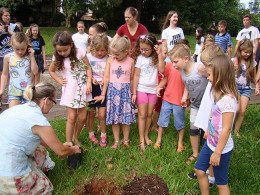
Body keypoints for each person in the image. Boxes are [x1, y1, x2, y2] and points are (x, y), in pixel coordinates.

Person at [0, 82, 81, 194]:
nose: (53, 105)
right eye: (53, 102)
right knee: (46, 188)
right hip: (10, 178)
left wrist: (59, 145)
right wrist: (74, 149)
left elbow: (32, 137)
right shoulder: (39, 121)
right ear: (46, 100)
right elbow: (61, 152)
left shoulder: (15, 109)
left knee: (41, 151)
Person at [194, 55, 239, 195]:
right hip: (210, 142)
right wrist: (208, 129)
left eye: (210, 75)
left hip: (221, 149)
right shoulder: (217, 92)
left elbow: (226, 129)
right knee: (199, 170)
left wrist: (217, 153)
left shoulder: (228, 100)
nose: (207, 78)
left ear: (220, 75)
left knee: (221, 184)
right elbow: (213, 113)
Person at [48, 31, 92, 145]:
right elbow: (51, 71)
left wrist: (88, 83)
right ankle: (68, 142)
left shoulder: (80, 53)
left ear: (71, 45)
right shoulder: (58, 58)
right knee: (72, 117)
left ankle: (75, 137)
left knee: (82, 117)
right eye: (59, 51)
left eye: (65, 50)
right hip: (70, 90)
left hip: (82, 89)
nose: (62, 53)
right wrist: (59, 80)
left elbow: (88, 68)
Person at [94, 36, 136, 149]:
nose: (114, 56)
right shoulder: (110, 60)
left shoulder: (131, 61)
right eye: (113, 54)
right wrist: (103, 94)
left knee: (125, 119)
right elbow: (106, 77)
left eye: (117, 54)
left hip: (125, 93)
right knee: (115, 118)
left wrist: (133, 93)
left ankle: (126, 140)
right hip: (112, 92)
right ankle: (116, 140)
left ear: (126, 52)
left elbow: (131, 78)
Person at [171, 44, 208, 164]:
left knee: (206, 131)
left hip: (207, 107)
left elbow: (213, 78)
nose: (173, 65)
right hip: (195, 105)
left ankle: (206, 153)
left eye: (176, 61)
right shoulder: (182, 71)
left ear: (186, 58)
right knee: (193, 130)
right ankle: (195, 153)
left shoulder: (199, 69)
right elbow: (187, 85)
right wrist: (184, 97)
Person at [153, 44, 186, 152]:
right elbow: (165, 78)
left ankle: (180, 142)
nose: (174, 64)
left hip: (179, 101)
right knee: (162, 120)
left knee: (179, 122)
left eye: (175, 61)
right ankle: (158, 139)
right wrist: (159, 87)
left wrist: (186, 98)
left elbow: (188, 86)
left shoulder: (186, 70)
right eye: (172, 61)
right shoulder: (170, 66)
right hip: (167, 98)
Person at [132, 34, 158, 151]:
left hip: (153, 90)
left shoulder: (156, 58)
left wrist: (160, 54)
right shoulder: (139, 58)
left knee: (149, 114)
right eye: (141, 49)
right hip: (141, 89)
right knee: (142, 115)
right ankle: (141, 138)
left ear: (153, 48)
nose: (143, 51)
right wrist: (134, 92)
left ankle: (146, 134)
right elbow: (136, 75)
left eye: (146, 49)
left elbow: (162, 69)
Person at [0, 32, 38, 107]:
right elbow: (4, 74)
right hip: (14, 92)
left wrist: (32, 57)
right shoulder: (8, 57)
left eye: (23, 49)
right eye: (17, 49)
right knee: (14, 114)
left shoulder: (29, 56)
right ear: (12, 45)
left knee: (28, 115)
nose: (20, 52)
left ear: (27, 45)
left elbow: (35, 71)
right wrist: (1, 90)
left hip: (28, 92)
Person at [233, 39, 259, 137]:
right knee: (237, 109)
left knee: (242, 110)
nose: (248, 54)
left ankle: (236, 131)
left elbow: (254, 77)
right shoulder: (234, 61)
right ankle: (228, 125)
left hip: (246, 88)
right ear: (240, 51)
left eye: (249, 52)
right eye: (245, 52)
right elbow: (229, 75)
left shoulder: (252, 62)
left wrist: (257, 87)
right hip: (235, 88)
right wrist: (234, 69)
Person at [87, 33, 109, 147]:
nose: (100, 53)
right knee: (91, 113)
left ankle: (103, 135)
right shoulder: (89, 57)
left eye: (103, 50)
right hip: (92, 88)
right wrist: (91, 79)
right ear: (93, 48)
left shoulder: (108, 58)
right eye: (97, 50)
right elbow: (85, 72)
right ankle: (91, 133)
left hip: (103, 88)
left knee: (101, 114)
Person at [0, 7, 20, 104]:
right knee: (1, 77)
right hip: (1, 56)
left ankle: (11, 98)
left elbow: (21, 38)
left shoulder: (13, 27)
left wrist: (10, 32)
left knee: (10, 77)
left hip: (12, 56)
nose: (8, 17)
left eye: (9, 15)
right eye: (5, 15)